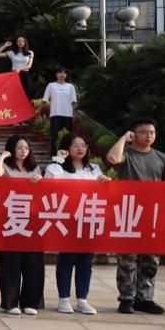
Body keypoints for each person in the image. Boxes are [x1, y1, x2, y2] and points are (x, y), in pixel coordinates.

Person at [105, 117, 165, 314]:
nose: (149, 136)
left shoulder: (161, 157)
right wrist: (124, 139)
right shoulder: (127, 154)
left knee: (151, 259)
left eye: (152, 132)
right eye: (144, 132)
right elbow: (113, 159)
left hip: (152, 214)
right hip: (129, 212)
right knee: (127, 258)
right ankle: (126, 298)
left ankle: (145, 298)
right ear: (134, 134)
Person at [46, 133, 110, 315]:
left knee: (85, 261)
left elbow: (103, 191)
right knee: (66, 260)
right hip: (67, 220)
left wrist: (106, 182)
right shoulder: (57, 167)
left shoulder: (94, 169)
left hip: (88, 220)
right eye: (75, 145)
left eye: (83, 145)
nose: (80, 149)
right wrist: (59, 161)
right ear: (67, 148)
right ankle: (64, 299)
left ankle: (82, 299)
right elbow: (51, 183)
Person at [0, 135, 44, 315]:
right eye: (19, 147)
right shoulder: (5, 166)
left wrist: (40, 179)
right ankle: (10, 302)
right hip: (10, 219)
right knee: (10, 262)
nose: (23, 151)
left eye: (26, 148)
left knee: (33, 263)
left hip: (32, 219)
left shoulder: (34, 168)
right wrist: (3, 156)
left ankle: (30, 302)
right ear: (11, 148)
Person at [41, 66, 78, 148]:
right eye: (60, 72)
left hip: (67, 115)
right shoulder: (51, 85)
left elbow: (74, 102)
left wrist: (74, 114)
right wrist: (38, 110)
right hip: (55, 114)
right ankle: (54, 154)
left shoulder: (70, 86)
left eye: (64, 73)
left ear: (66, 75)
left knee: (67, 137)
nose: (62, 74)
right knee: (54, 136)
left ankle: (66, 153)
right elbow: (44, 100)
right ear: (56, 74)